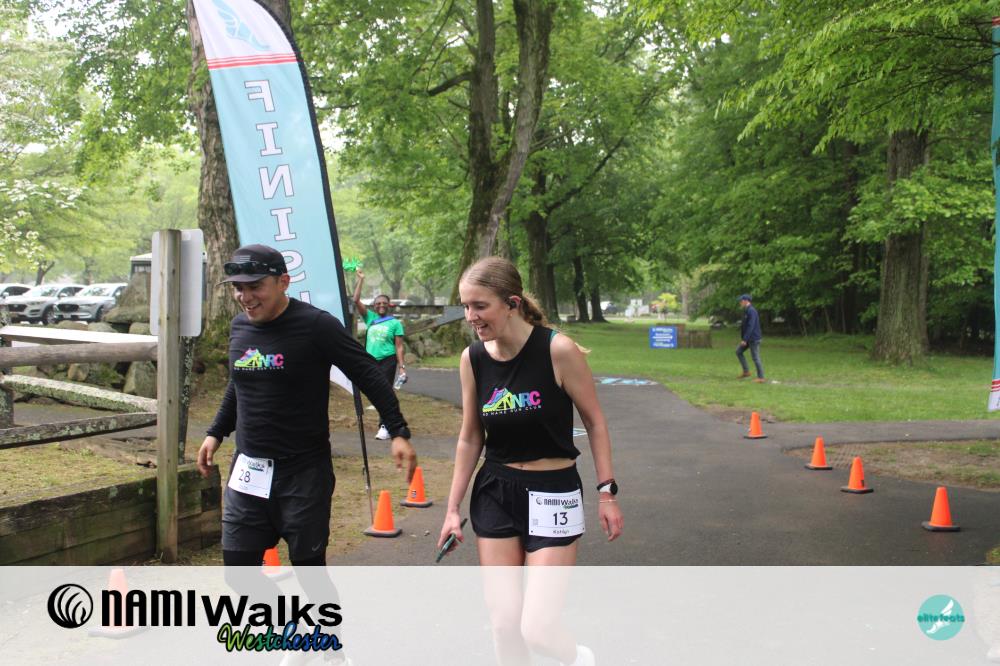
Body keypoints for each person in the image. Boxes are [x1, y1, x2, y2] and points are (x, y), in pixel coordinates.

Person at [437, 256, 623, 666]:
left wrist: (607, 493)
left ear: (512, 303)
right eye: (466, 307)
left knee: (536, 629)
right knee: (504, 625)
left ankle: (579, 659)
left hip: (553, 492)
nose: (470, 317)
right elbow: (470, 436)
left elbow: (595, 422)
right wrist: (451, 509)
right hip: (496, 492)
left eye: (480, 306)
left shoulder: (557, 350)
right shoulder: (473, 359)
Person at [197, 244, 417, 567]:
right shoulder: (239, 327)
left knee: (309, 577)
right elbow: (240, 381)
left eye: (255, 286)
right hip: (249, 470)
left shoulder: (316, 325)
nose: (245, 296)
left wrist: (397, 430)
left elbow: (367, 373)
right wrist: (216, 432)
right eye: (239, 288)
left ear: (283, 282)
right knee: (238, 574)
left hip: (303, 475)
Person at [351, 268, 406, 440]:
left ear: (389, 305)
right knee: (376, 391)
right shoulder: (370, 318)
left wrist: (402, 367)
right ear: (374, 306)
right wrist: (361, 279)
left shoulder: (395, 323)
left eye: (384, 303)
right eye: (378, 303)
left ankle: (385, 426)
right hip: (370, 360)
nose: (381, 305)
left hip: (388, 360)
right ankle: (391, 420)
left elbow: (399, 347)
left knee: (384, 391)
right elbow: (355, 300)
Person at [737, 293, 765, 383]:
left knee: (755, 357)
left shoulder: (751, 311)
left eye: (741, 301)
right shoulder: (746, 310)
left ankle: (761, 377)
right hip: (748, 338)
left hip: (753, 339)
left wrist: (745, 339)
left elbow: (751, 326)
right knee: (738, 351)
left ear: (746, 301)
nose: (740, 302)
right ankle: (746, 372)